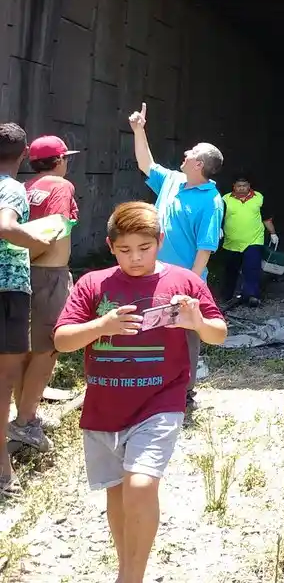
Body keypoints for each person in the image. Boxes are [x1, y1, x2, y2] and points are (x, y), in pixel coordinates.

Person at [54, 201, 227, 583]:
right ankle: (126, 566)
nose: (135, 258)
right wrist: (102, 325)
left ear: (160, 241)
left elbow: (218, 334)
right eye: (125, 250)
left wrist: (196, 321)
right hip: (104, 405)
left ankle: (132, 576)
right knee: (116, 494)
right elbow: (63, 341)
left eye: (144, 248)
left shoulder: (184, 281)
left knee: (141, 483)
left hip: (160, 401)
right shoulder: (93, 284)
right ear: (110, 246)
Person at [127, 102, 224, 406]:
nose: (186, 152)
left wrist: (189, 286)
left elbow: (206, 248)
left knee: (184, 335)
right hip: (152, 273)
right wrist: (139, 130)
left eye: (192, 151)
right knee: (150, 331)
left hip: (183, 279)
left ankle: (185, 392)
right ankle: (150, 385)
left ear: (200, 165)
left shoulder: (212, 200)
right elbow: (146, 164)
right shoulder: (172, 180)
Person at [9, 135, 80, 453]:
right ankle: (25, 423)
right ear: (61, 159)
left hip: (24, 275)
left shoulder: (25, 188)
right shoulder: (60, 186)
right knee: (48, 349)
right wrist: (37, 259)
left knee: (26, 349)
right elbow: (53, 230)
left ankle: (25, 415)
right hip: (48, 276)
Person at [0, 124, 55, 495]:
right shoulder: (11, 187)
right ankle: (4, 474)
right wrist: (37, 237)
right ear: (23, 155)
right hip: (6, 290)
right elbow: (5, 226)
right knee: (4, 382)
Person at [220, 174, 278, 308]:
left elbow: (266, 218)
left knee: (252, 268)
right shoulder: (225, 199)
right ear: (233, 187)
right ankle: (227, 295)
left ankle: (252, 295)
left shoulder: (259, 198)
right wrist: (218, 228)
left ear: (249, 186)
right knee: (230, 270)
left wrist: (273, 233)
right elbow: (218, 217)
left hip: (254, 239)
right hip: (231, 242)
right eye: (239, 186)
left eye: (244, 185)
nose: (241, 188)